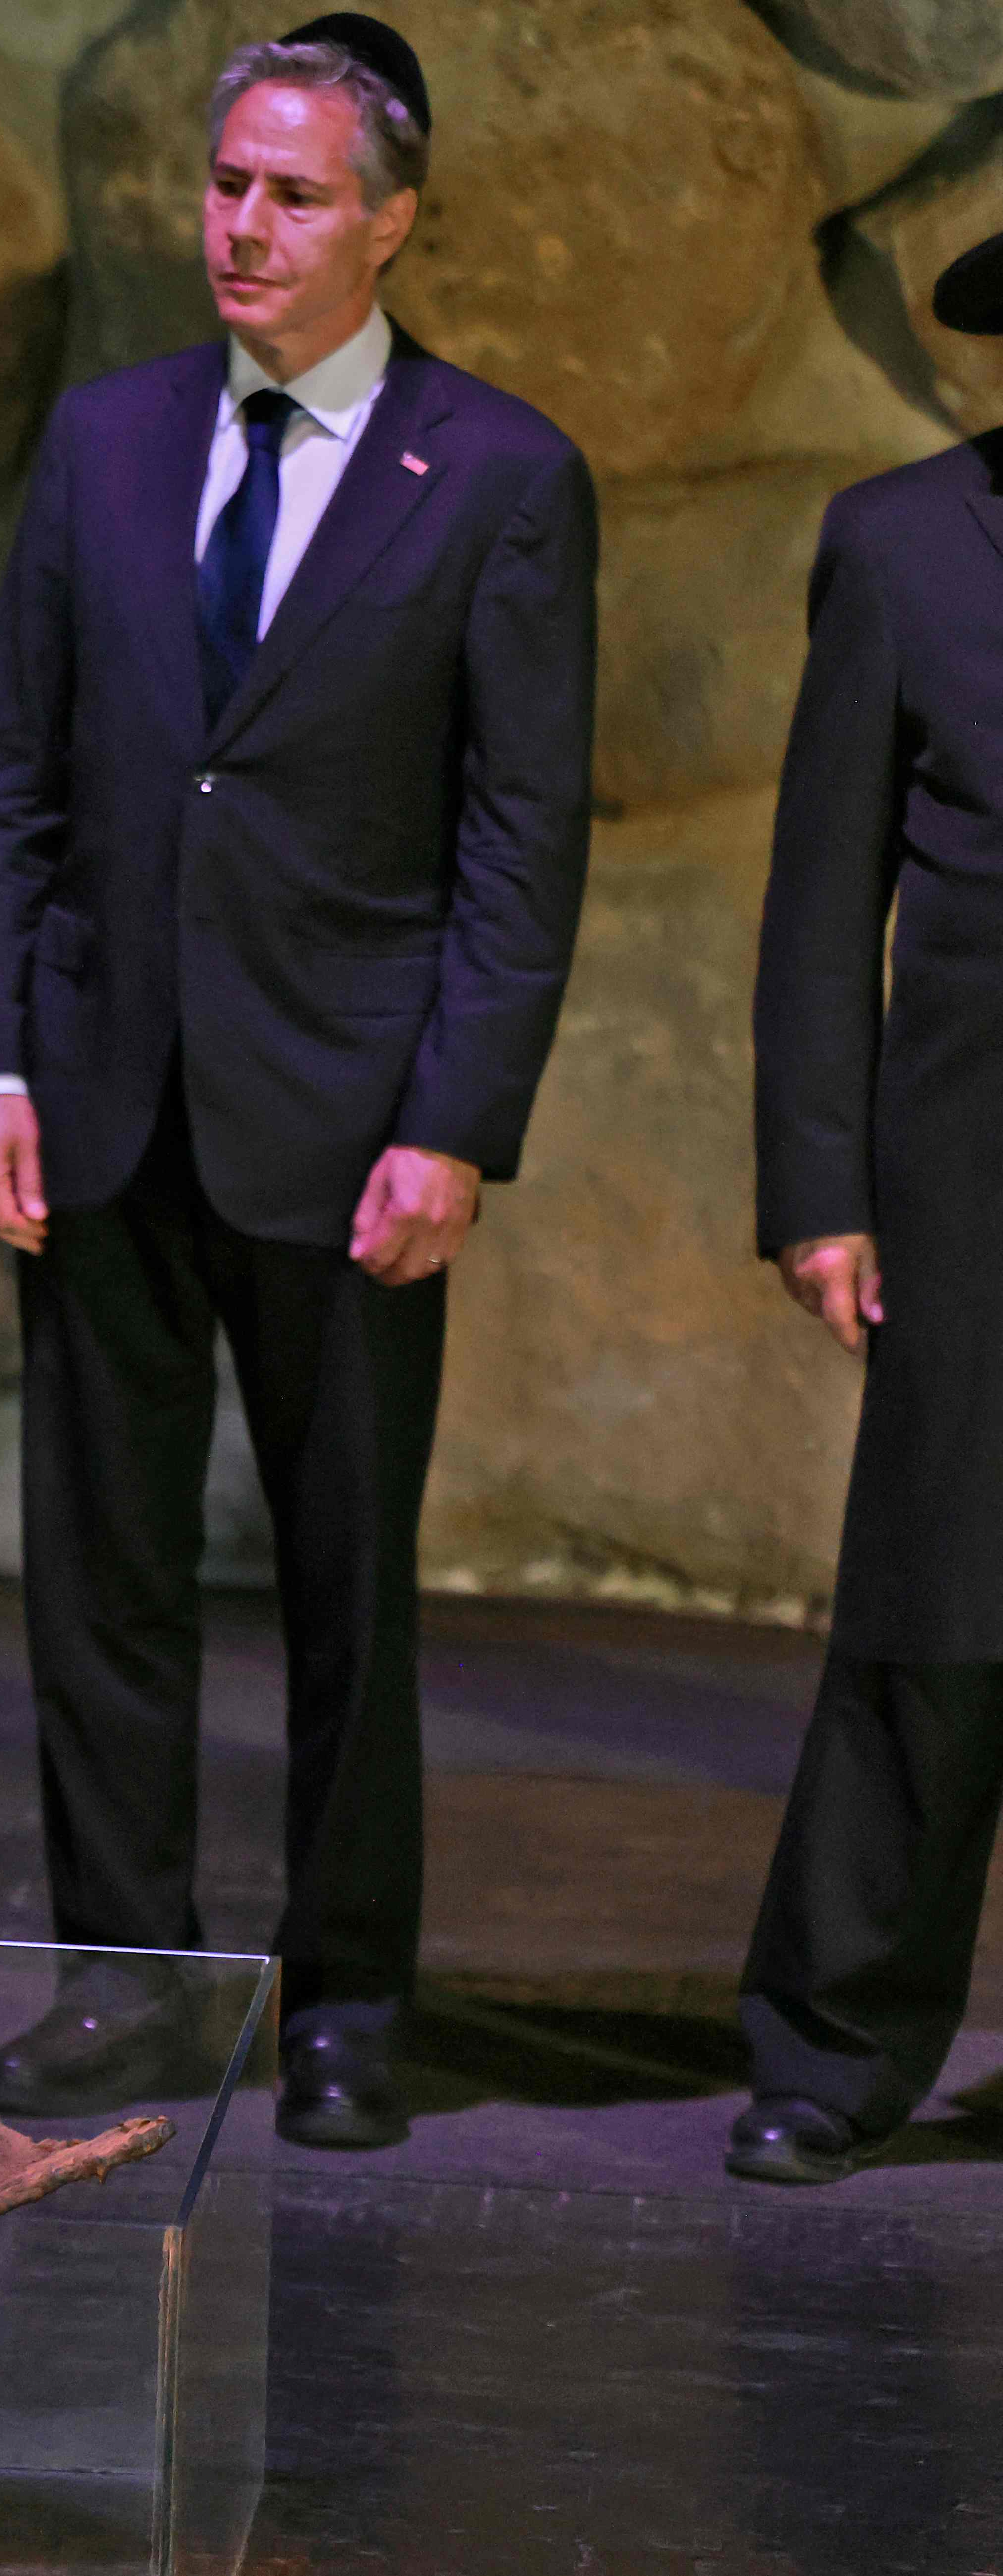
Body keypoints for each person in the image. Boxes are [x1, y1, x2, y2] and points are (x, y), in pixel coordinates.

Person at [0, 16, 596, 2149]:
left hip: (345, 1129)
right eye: (223, 181)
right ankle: (122, 1982)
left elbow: (517, 835)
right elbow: (7, 774)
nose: (239, 223)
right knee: (96, 1580)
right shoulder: (107, 443)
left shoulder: (491, 476)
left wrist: (451, 1118)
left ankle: (342, 2003)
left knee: (343, 1588)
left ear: (390, 224)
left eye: (290, 193)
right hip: (104, 1096)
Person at [724, 232, 1003, 2188]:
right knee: (931, 1605)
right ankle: (832, 2036)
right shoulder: (904, 544)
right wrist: (817, 1186)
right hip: (972, 1171)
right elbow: (820, 899)